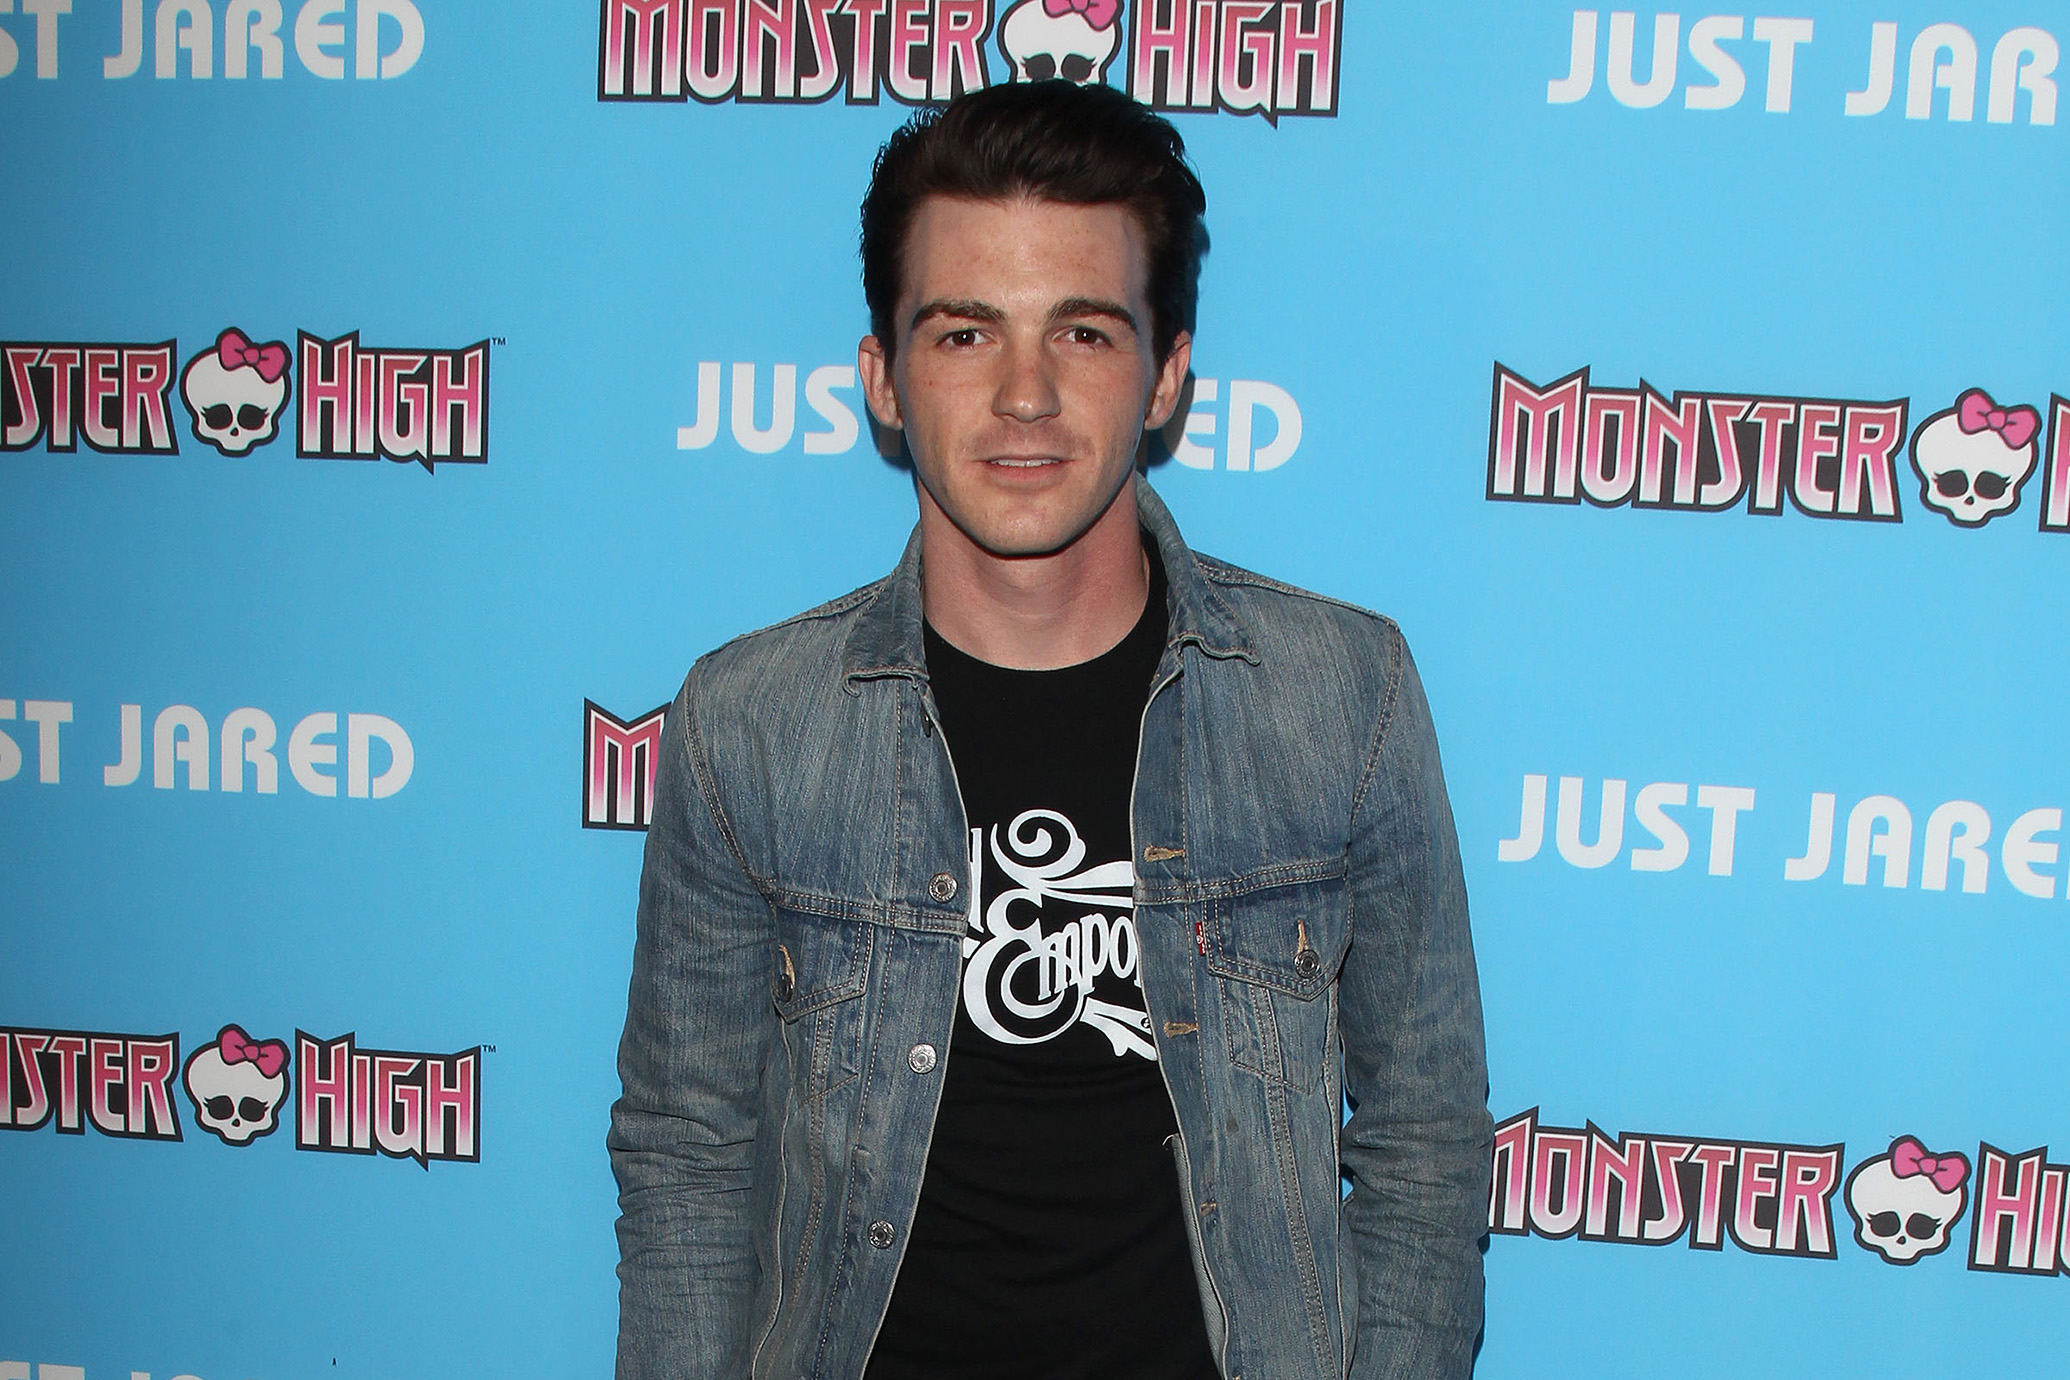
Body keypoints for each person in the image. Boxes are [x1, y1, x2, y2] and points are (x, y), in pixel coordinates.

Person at [610, 79, 1491, 1380]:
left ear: (1165, 374)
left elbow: (1423, 1139)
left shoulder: (1338, 696)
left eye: (1081, 332)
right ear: (883, 378)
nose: (1024, 394)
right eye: (964, 333)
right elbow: (688, 1155)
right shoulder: (748, 724)